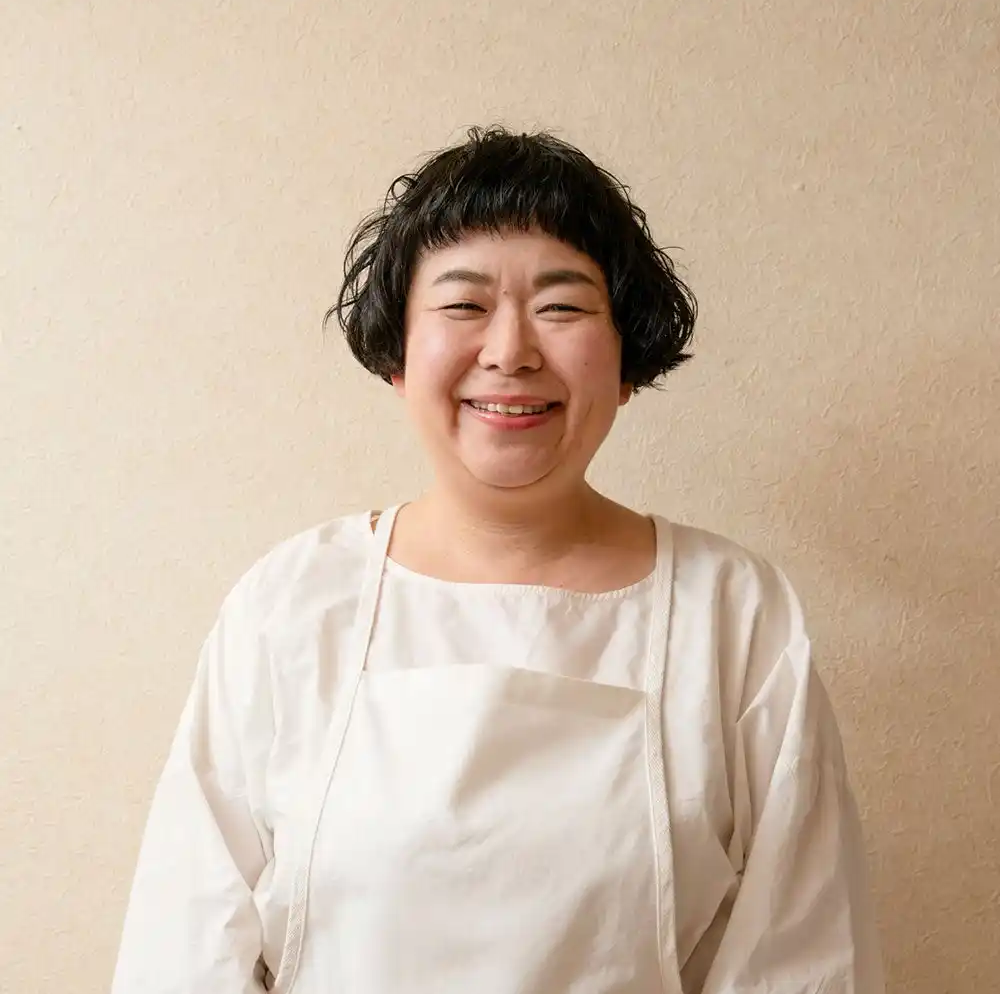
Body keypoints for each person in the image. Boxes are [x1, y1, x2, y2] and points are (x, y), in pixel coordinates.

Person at [111, 126, 884, 994]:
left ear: (626, 362)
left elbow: (805, 957)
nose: (510, 351)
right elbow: (184, 950)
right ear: (398, 356)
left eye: (562, 307)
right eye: (463, 305)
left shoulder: (731, 611)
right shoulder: (292, 603)